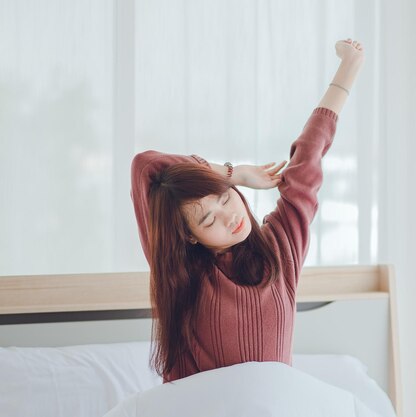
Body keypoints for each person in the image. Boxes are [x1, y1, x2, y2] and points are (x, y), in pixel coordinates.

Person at [130, 38, 364, 383]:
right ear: (189, 237)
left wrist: (349, 68)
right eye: (208, 219)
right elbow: (144, 166)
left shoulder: (280, 249)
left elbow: (308, 158)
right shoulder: (182, 275)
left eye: (226, 198)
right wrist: (230, 173)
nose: (229, 216)